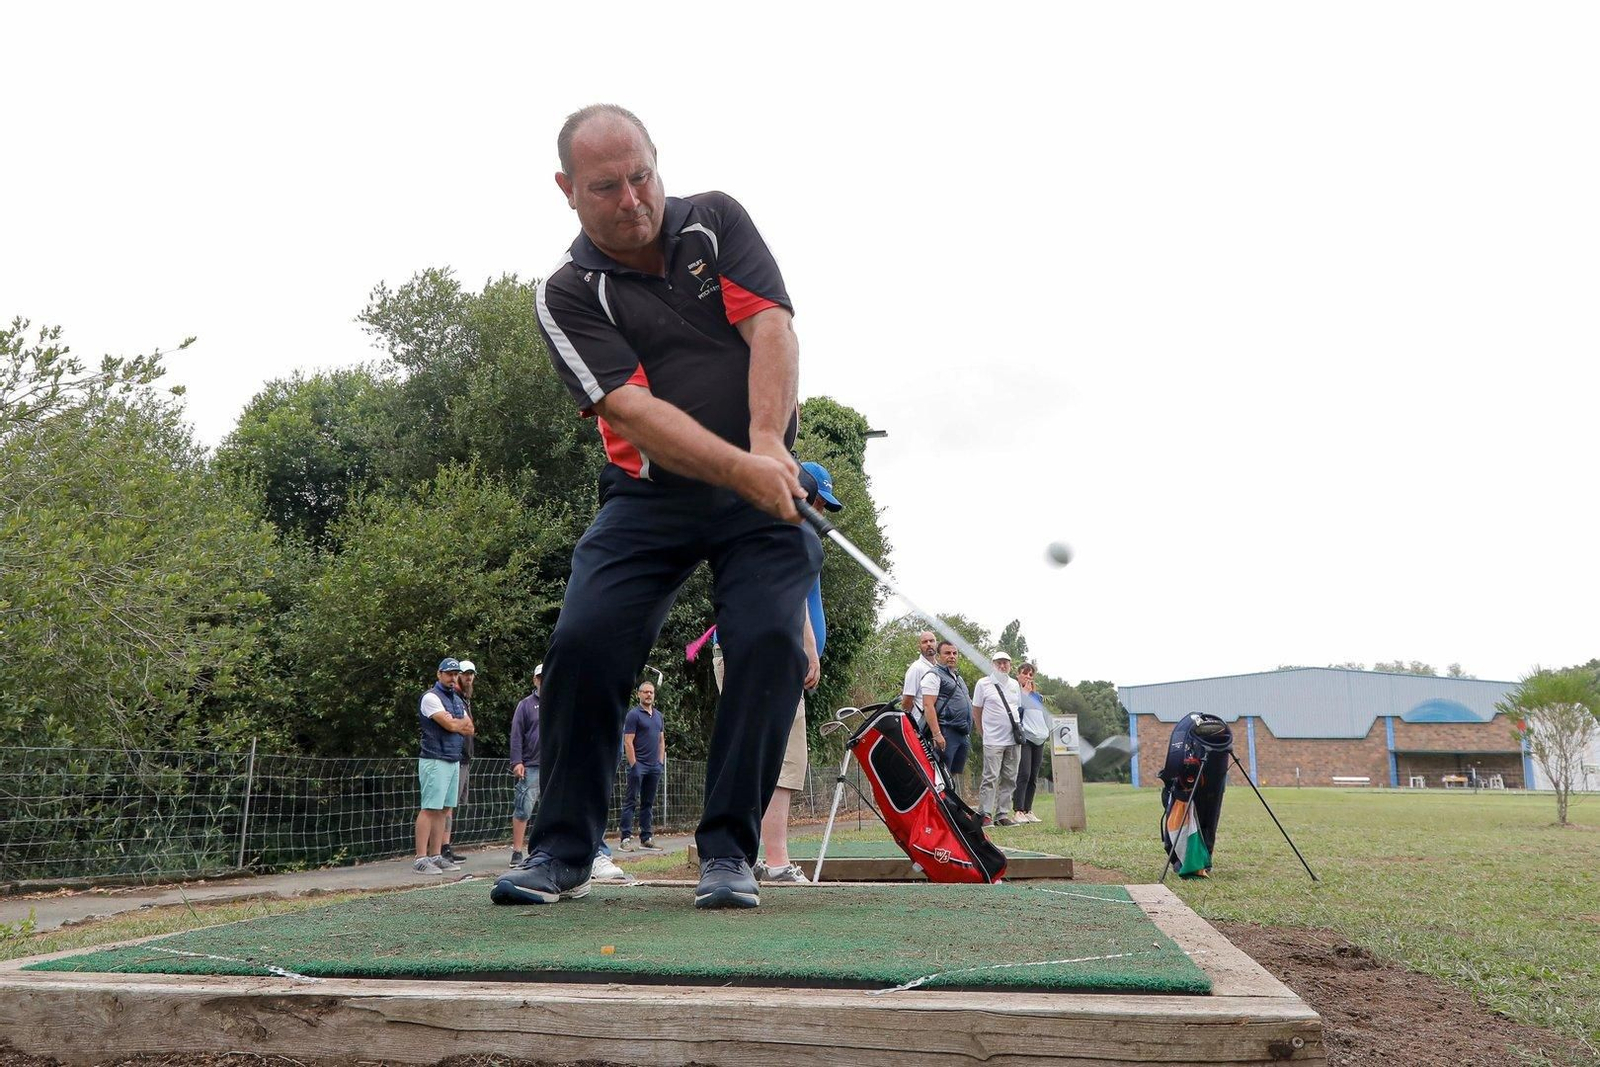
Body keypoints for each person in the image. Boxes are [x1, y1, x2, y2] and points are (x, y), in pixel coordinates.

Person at [494, 105, 821, 911]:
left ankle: (727, 853)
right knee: (583, 638)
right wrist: (741, 465)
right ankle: (563, 851)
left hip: (766, 476)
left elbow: (772, 326)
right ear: (568, 190)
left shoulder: (715, 220)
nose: (632, 198)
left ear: (655, 161)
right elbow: (633, 414)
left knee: (773, 638)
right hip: (650, 496)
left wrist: (765, 444)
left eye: (641, 175)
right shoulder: (569, 294)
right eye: (606, 186)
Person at [707, 460, 838, 884]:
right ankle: (768, 860)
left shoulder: (802, 537)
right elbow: (787, 593)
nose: (819, 509)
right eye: (817, 499)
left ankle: (762, 857)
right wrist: (807, 647)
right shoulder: (778, 527)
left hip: (782, 661)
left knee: (783, 756)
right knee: (773, 754)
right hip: (770, 656)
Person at [415, 658, 474, 873]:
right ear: (439, 674)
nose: (453, 678)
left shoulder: (457, 700)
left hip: (452, 759)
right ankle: (421, 858)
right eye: (449, 674)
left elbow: (470, 728)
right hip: (434, 758)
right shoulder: (431, 697)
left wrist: (454, 724)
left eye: (455, 674)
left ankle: (436, 854)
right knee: (430, 808)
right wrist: (455, 724)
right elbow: (450, 724)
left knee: (444, 809)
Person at [971, 651, 1022, 827]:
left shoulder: (1015, 685)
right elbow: (976, 710)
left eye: (1005, 663)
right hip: (993, 739)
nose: (1002, 666)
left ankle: (1002, 814)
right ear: (993, 665)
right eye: (999, 663)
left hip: (1012, 739)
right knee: (990, 777)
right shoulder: (983, 684)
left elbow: (1017, 708)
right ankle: (985, 813)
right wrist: (982, 731)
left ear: (1010, 665)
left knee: (1010, 777)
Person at [619, 681, 666, 852]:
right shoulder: (633, 715)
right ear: (638, 694)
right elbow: (628, 742)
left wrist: (660, 762)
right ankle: (625, 838)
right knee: (631, 801)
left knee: (648, 803)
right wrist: (635, 765)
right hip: (638, 766)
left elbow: (661, 741)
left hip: (654, 767)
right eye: (645, 692)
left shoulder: (659, 716)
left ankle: (646, 838)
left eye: (651, 692)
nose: (648, 695)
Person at [508, 664, 543, 868]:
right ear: (535, 680)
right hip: (531, 765)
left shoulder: (560, 703)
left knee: (552, 811)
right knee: (523, 809)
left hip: (554, 767)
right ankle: (517, 851)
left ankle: (545, 850)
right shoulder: (525, 705)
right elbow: (516, 735)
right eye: (540, 677)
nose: (544, 681)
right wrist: (517, 762)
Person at [441, 659, 476, 863]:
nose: (468, 677)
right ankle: (443, 847)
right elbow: (459, 725)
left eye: (471, 674)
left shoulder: (465, 699)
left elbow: (470, 727)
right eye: (464, 674)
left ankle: (446, 846)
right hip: (455, 756)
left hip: (465, 757)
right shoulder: (454, 698)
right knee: (447, 805)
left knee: (451, 805)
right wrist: (462, 725)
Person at [926, 641, 974, 786]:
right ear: (938, 655)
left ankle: (949, 806)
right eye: (947, 653)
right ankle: (938, 806)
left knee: (951, 775)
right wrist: (937, 734)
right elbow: (928, 705)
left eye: (954, 653)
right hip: (947, 731)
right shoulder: (934, 675)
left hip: (962, 733)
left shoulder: (958, 678)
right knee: (941, 774)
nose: (952, 656)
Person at [1012, 662, 1047, 823]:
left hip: (1039, 738)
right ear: (1018, 675)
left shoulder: (1038, 697)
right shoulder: (1015, 693)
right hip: (1025, 738)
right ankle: (1018, 810)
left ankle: (1028, 809)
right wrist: (1024, 696)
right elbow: (1015, 714)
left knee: (1033, 775)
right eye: (1025, 673)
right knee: (1024, 773)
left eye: (1030, 674)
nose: (1027, 676)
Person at [900, 631, 938, 714]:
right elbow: (907, 701)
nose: (929, 644)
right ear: (919, 646)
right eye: (925, 642)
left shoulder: (940, 668)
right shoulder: (916, 668)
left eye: (931, 641)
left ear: (936, 644)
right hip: (920, 722)